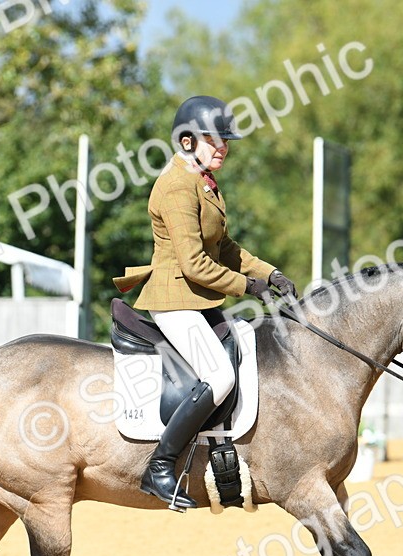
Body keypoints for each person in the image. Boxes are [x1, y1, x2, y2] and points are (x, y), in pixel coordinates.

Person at [113, 95, 297, 509]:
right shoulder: (177, 186)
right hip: (176, 299)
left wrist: (269, 273)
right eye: (213, 139)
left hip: (198, 299)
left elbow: (226, 247)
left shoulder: (203, 182)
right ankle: (159, 467)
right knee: (219, 377)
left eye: (225, 140)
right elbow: (195, 264)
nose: (222, 147)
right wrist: (248, 288)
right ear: (188, 140)